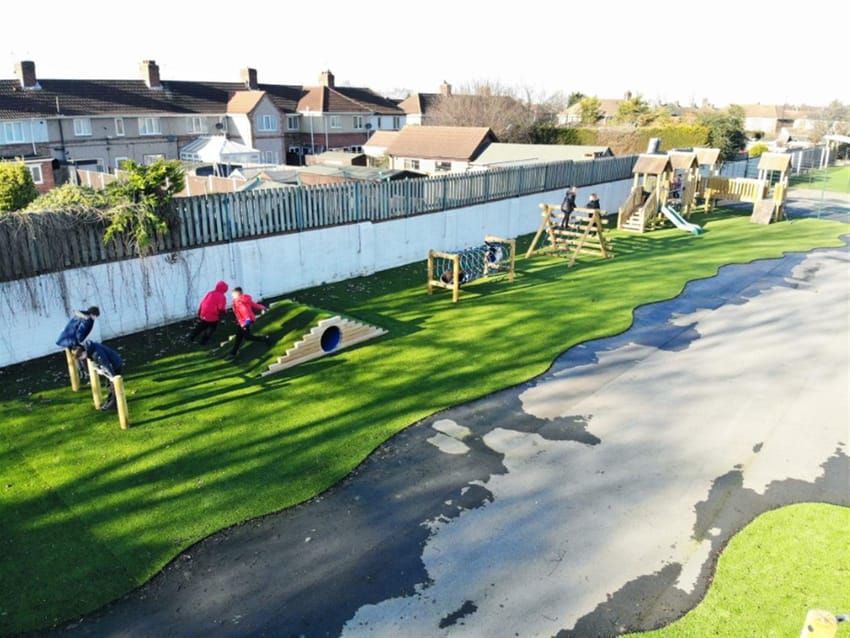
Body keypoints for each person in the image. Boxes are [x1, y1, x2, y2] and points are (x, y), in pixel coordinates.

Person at [72, 340, 123, 411]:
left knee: (113, 386)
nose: (82, 359)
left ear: (84, 352)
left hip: (115, 364)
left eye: (81, 357)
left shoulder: (96, 353)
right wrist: (97, 368)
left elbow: (106, 365)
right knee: (108, 385)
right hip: (110, 363)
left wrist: (112, 377)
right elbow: (94, 361)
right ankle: (110, 401)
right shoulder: (89, 349)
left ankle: (114, 404)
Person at [226, 287, 270, 361]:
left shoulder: (238, 301)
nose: (232, 296)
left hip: (245, 321)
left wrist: (247, 320)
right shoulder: (245, 299)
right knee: (239, 338)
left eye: (233, 295)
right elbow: (254, 305)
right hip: (243, 321)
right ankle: (232, 353)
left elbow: (244, 310)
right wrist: (263, 307)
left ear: (237, 294)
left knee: (247, 337)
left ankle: (265, 339)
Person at [56, 306, 100, 380]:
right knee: (83, 355)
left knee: (76, 356)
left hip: (66, 339)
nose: (95, 318)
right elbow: (80, 333)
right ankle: (88, 374)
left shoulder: (81, 314)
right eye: (96, 316)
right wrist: (80, 341)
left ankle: (82, 373)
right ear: (93, 314)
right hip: (73, 340)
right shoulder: (87, 320)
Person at [188, 281, 228, 345]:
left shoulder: (210, 293)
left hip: (204, 312)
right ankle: (203, 341)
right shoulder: (222, 296)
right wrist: (225, 312)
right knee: (211, 328)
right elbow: (221, 308)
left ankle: (192, 336)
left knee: (202, 325)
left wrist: (200, 311)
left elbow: (203, 302)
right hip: (212, 315)